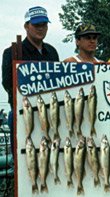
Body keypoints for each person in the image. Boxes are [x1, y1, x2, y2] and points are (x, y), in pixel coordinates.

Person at [1, 6, 59, 156]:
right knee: (22, 159)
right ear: (26, 26)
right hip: (23, 111)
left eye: (44, 25)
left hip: (48, 110)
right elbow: (7, 83)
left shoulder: (52, 52)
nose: (41, 29)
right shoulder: (11, 52)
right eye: (36, 25)